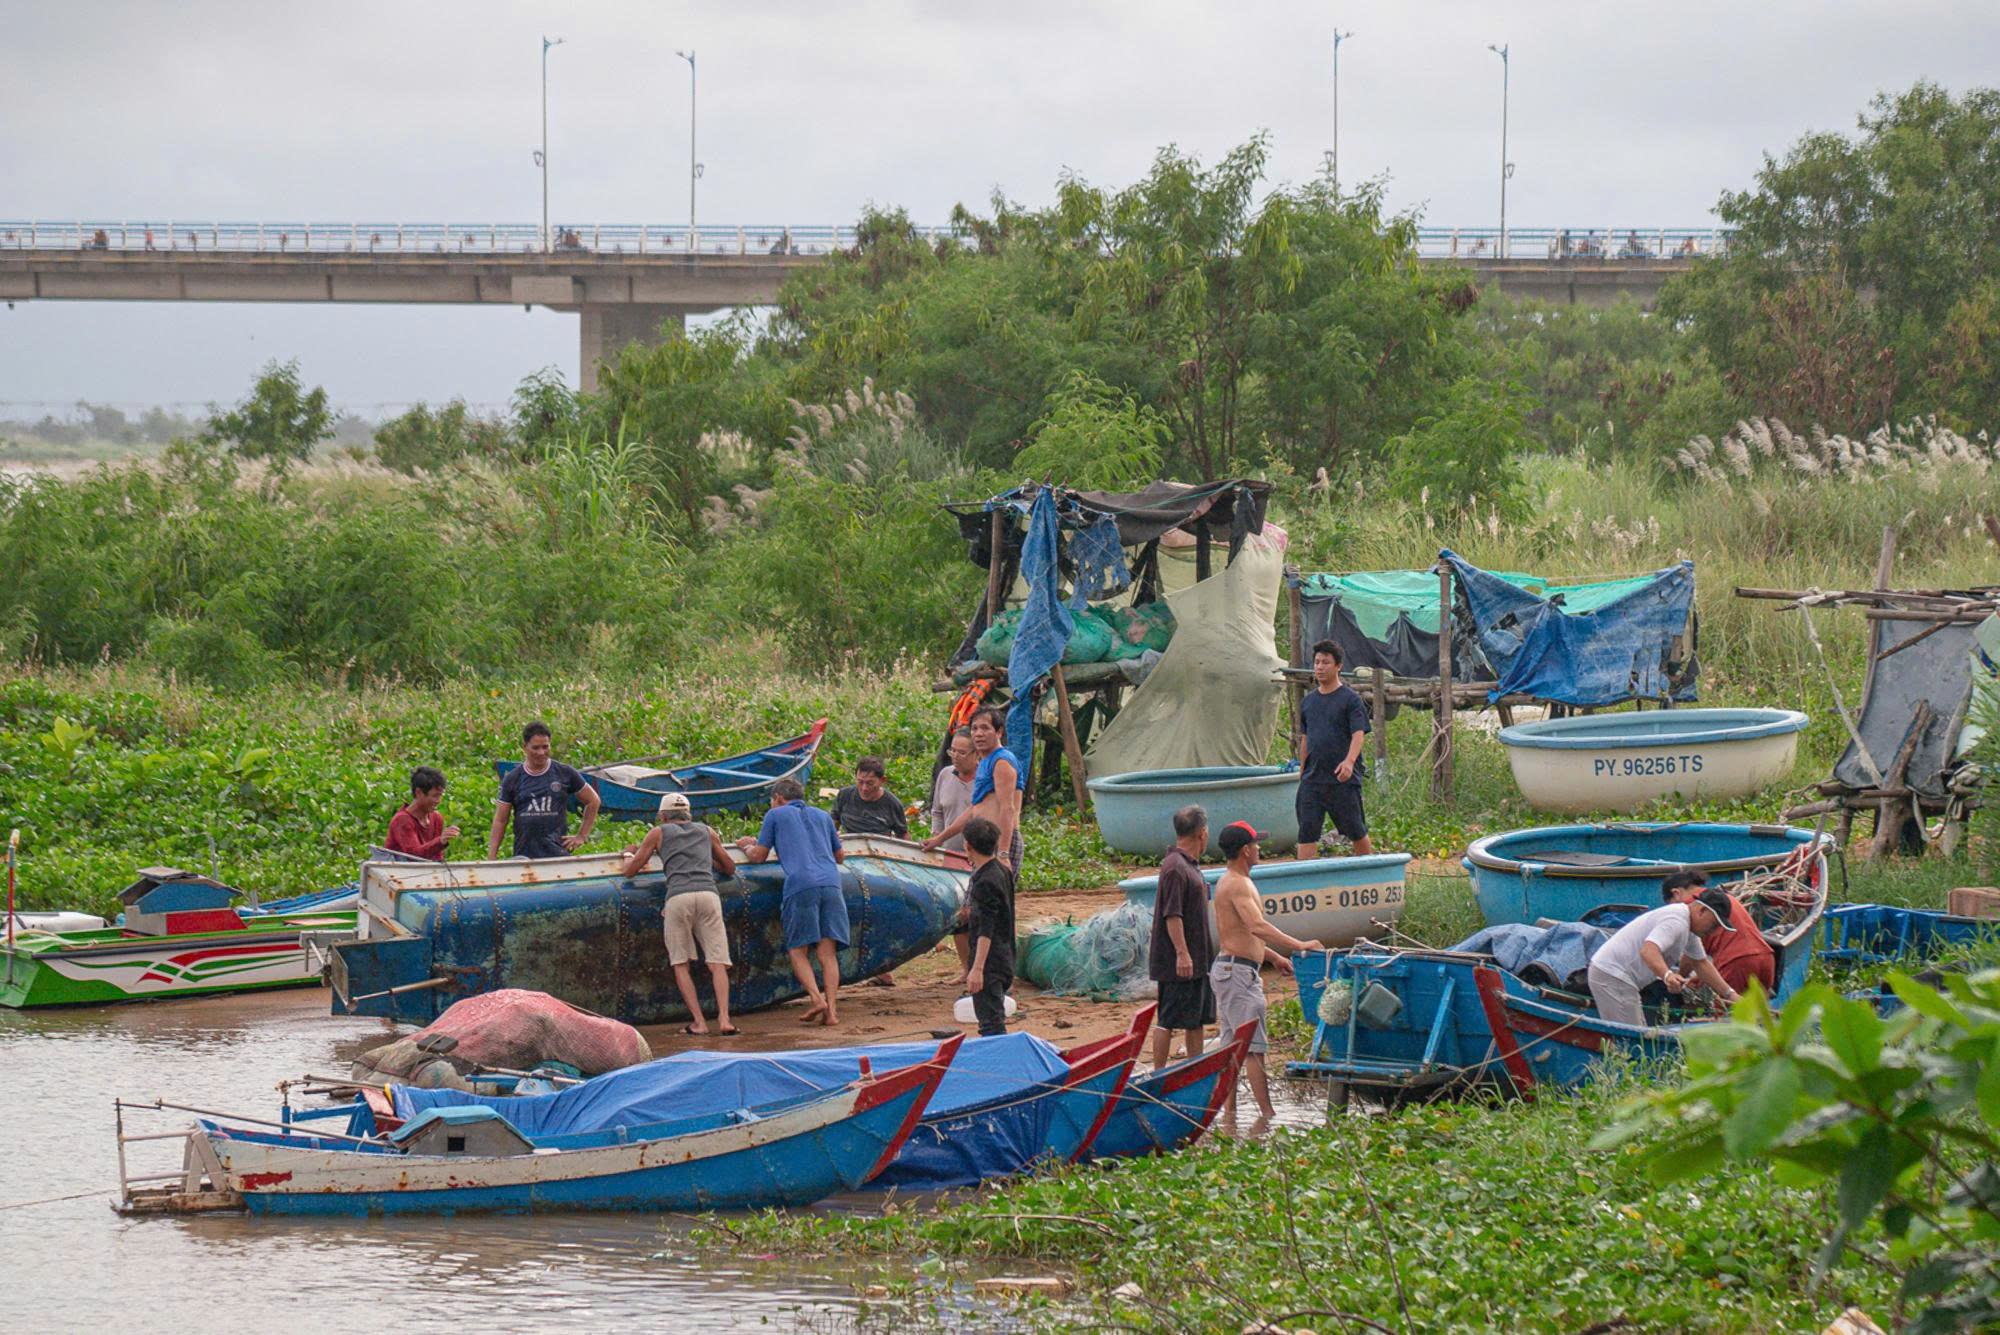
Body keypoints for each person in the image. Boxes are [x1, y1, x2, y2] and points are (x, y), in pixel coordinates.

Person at [1210, 821, 1313, 1119]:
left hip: (1232, 970)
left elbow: (1240, 934)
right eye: (1256, 844)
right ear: (1245, 850)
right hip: (1237, 974)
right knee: (1253, 1049)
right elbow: (1256, 926)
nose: (1258, 849)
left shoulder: (1233, 881)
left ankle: (1229, 1116)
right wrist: (1299, 944)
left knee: (1232, 1048)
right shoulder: (1237, 884)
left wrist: (1274, 957)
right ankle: (1267, 1115)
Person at [621, 792, 740, 1036]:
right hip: (708, 895)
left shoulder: (658, 833)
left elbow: (630, 871)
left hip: (678, 897)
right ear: (688, 813)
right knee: (717, 962)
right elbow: (730, 867)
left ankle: (699, 1023)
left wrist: (628, 854)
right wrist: (706, 861)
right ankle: (725, 1020)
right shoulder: (707, 831)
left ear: (663, 816)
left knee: (681, 963)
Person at [737, 777, 847, 1026]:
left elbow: (758, 856)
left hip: (801, 884)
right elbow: (840, 856)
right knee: (827, 952)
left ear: (777, 798)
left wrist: (746, 846)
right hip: (832, 883)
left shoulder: (775, 815)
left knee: (798, 949)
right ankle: (832, 1012)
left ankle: (816, 999)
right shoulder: (823, 816)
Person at [1586, 890, 1743, 1027]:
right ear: (1701, 911)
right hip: (1612, 974)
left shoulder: (1689, 927)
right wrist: (1667, 976)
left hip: (1618, 976)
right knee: (1631, 1039)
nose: (1713, 931)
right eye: (1714, 924)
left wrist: (1731, 995)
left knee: (1639, 1034)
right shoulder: (1676, 921)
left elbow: (1701, 963)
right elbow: (1648, 951)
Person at [1148, 804, 1215, 1068]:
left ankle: (1194, 1070)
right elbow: (1172, 914)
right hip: (1177, 962)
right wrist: (1182, 953)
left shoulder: (1188, 865)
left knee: (1195, 1020)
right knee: (1167, 1019)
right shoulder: (1175, 867)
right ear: (1202, 833)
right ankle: (1158, 1073)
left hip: (1196, 958)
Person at [1296, 639, 1374, 859]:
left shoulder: (1350, 700)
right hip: (1313, 779)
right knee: (1306, 833)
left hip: (1342, 780)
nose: (1320, 667)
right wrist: (1302, 769)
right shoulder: (1308, 702)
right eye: (1317, 662)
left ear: (1338, 666)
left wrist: (1349, 762)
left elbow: (1358, 734)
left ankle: (1369, 871)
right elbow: (1305, 738)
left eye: (1326, 662)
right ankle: (1305, 877)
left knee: (1356, 830)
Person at [923, 709, 1023, 875]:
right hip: (984, 843)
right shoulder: (985, 763)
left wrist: (1003, 853)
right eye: (974, 728)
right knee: (978, 890)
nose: (978, 734)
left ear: (999, 732)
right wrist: (939, 839)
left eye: (985, 728)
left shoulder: (1002, 761)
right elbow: (974, 810)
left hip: (1000, 842)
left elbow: (1008, 809)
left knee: (993, 890)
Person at [489, 721, 601, 859]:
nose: (541, 752)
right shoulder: (513, 778)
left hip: (557, 855)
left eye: (545, 747)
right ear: (525, 747)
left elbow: (593, 801)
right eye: (535, 748)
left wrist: (581, 836)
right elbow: (500, 820)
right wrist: (492, 857)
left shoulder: (565, 772)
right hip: (524, 856)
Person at [1661, 871, 1775, 996]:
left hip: (1736, 963)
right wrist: (1703, 977)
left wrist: (1678, 979)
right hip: (1766, 958)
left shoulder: (1691, 907)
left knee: (1727, 1007)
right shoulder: (1724, 899)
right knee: (1757, 1007)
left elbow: (1691, 956)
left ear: (1676, 893)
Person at [961, 816, 1016, 1037]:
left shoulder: (984, 882)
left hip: (990, 962)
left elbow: (986, 928)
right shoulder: (1002, 871)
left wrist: (977, 969)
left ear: (968, 846)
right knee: (994, 1019)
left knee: (991, 1024)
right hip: (1005, 955)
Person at [384, 766, 460, 862]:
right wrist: (441, 840)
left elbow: (437, 856)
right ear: (419, 792)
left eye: (440, 795)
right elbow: (414, 856)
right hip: (398, 869)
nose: (438, 801)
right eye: (435, 796)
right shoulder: (402, 820)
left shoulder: (436, 818)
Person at [831, 757, 908, 838]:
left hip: (878, 845)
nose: (864, 788)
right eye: (860, 782)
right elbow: (832, 827)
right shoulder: (844, 795)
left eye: (870, 783)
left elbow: (903, 836)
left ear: (883, 780)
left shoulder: (892, 804)